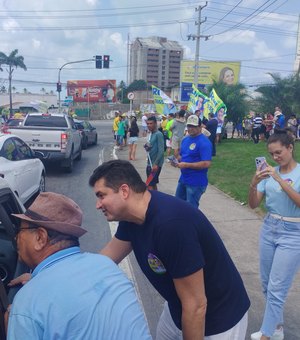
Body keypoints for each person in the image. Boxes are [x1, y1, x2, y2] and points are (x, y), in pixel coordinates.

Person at [89, 159, 250, 340]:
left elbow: (196, 306)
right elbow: (105, 260)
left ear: (124, 191)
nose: (98, 205)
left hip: (218, 320)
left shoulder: (171, 225)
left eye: (101, 195)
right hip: (178, 308)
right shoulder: (131, 218)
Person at [7, 192, 151, 340]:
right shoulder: (106, 265)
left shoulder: (27, 304)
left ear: (40, 238)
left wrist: (13, 323)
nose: (17, 237)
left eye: (20, 230)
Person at [248, 129, 300, 340]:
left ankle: (266, 335)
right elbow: (253, 204)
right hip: (269, 228)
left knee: (278, 287)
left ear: (290, 147)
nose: (275, 158)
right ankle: (276, 327)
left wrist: (280, 180)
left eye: (279, 152)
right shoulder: (268, 173)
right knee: (267, 283)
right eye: (272, 154)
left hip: (293, 233)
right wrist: (254, 181)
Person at [174, 114, 212, 208]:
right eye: (189, 126)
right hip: (183, 179)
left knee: (191, 209)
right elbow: (183, 156)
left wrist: (186, 165)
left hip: (196, 181)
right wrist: (177, 159)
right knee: (177, 205)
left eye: (193, 126)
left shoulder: (204, 142)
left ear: (200, 127)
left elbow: (206, 163)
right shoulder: (185, 139)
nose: (190, 128)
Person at [145, 115, 164, 191]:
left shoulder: (158, 134)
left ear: (155, 124)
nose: (149, 125)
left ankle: (153, 201)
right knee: (152, 183)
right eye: (148, 124)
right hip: (150, 162)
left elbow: (161, 150)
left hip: (155, 165)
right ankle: (157, 200)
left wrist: (156, 164)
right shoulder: (151, 134)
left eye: (151, 123)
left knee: (149, 185)